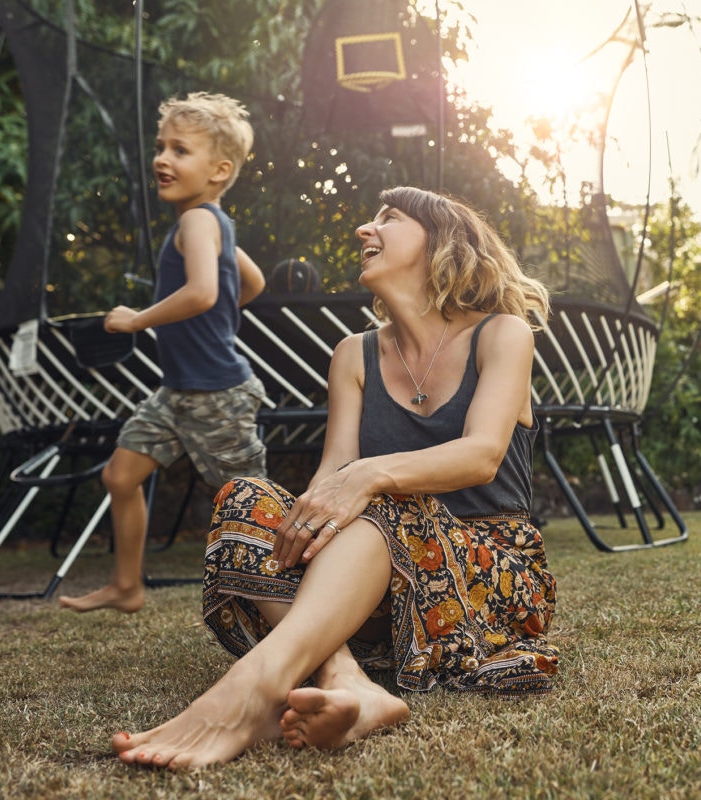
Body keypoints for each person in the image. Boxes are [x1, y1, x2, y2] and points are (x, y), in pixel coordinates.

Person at [111, 186, 559, 769]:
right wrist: (286, 524)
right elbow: (331, 478)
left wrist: (371, 476)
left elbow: (481, 456)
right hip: (376, 588)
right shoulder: (353, 354)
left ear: (441, 240)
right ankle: (346, 677)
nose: (364, 231)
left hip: (482, 576)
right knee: (245, 500)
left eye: (389, 219)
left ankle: (251, 690)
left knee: (384, 497)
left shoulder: (500, 334)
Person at [59, 92, 267, 613]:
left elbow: (202, 292)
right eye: (161, 147)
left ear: (219, 170)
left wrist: (137, 319)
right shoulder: (217, 223)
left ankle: (305, 598)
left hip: (217, 394)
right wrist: (217, 317)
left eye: (180, 150)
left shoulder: (197, 222)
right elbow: (253, 283)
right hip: (178, 392)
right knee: (120, 476)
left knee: (253, 505)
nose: (162, 159)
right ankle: (127, 587)